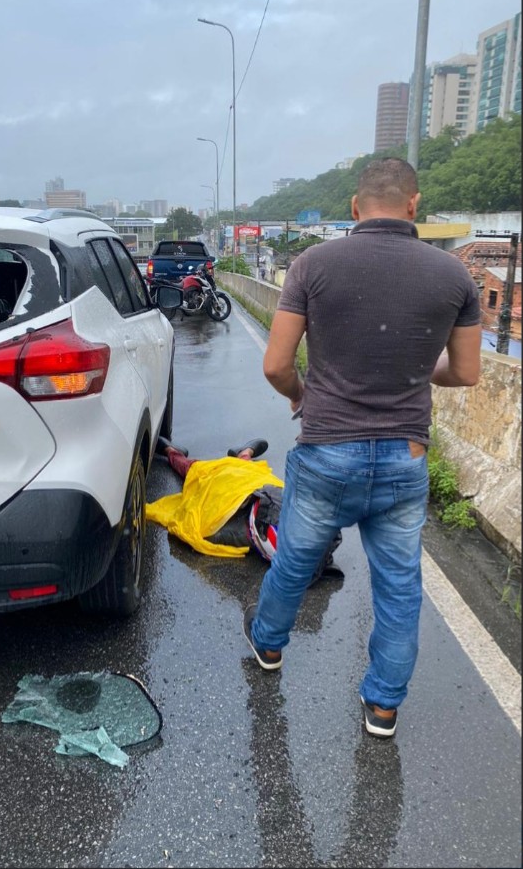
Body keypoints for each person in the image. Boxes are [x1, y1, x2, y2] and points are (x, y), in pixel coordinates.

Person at [242, 157, 481, 738]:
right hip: (406, 456)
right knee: (399, 585)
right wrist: (420, 372)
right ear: (414, 205)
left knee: (295, 561)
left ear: (354, 207)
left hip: (328, 452)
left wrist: (303, 397)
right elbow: (468, 372)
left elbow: (276, 365)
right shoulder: (454, 276)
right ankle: (383, 705)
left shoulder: (312, 265)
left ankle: (269, 647)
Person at [147, 436, 343, 581]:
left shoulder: (234, 533)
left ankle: (172, 452)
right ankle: (244, 454)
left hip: (234, 492)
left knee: (197, 472)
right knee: (245, 471)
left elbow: (195, 526)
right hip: (258, 489)